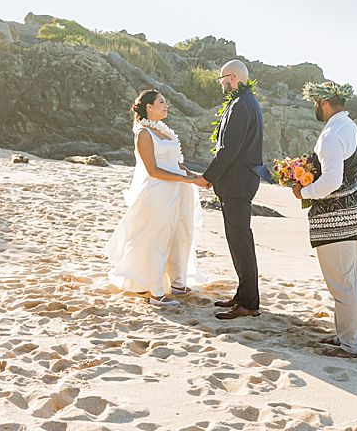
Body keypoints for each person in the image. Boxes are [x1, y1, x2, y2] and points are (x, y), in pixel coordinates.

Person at [105, 89, 205, 306]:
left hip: (179, 190)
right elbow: (153, 170)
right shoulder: (143, 134)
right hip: (159, 192)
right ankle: (156, 292)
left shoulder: (166, 132)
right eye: (161, 102)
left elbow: (177, 164)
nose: (165, 105)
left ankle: (178, 283)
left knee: (181, 234)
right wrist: (185, 180)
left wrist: (195, 177)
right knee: (158, 238)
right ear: (149, 107)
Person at [293, 80, 357, 358]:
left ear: (324, 103)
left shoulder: (331, 135)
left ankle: (351, 345)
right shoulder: (350, 127)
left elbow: (332, 182)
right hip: (355, 212)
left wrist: (304, 191)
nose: (314, 107)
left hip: (338, 220)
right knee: (348, 280)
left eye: (315, 102)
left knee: (343, 284)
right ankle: (346, 335)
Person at [195, 59, 264, 320]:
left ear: (233, 78)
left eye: (222, 78)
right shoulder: (248, 103)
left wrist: (208, 177)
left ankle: (249, 303)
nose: (221, 84)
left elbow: (229, 149)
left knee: (241, 241)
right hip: (240, 181)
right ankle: (243, 294)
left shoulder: (241, 105)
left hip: (237, 183)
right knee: (237, 240)